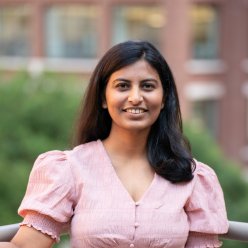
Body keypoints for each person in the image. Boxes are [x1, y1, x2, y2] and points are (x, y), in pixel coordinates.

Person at [0, 40, 229, 248]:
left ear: (164, 99)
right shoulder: (68, 168)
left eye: (148, 86)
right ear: (103, 97)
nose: (136, 97)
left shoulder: (194, 179)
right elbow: (25, 246)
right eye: (122, 86)